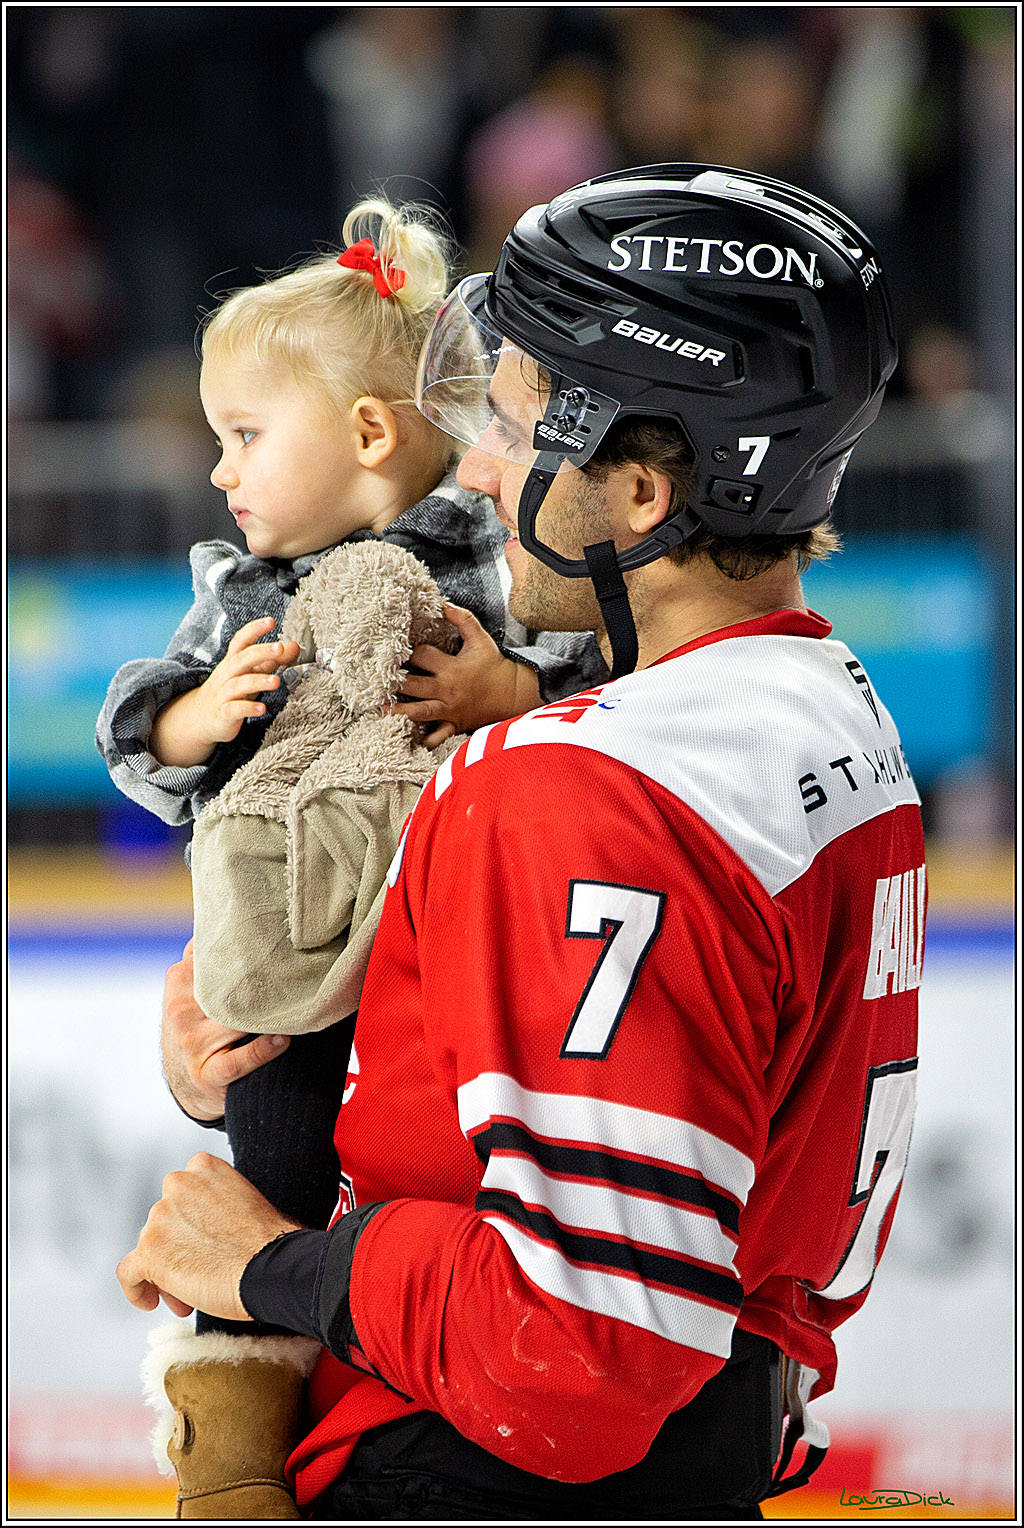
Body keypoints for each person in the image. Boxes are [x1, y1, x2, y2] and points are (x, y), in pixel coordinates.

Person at [119, 165, 924, 1521]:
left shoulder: (574, 781)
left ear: (645, 494)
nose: (476, 468)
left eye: (517, 424)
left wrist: (268, 1268)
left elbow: (579, 1351)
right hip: (704, 1451)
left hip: (465, 1467)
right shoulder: (832, 717)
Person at [98, 194, 605, 1518]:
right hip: (281, 945)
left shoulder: (495, 560)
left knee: (410, 1172)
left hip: (425, 950)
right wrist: (192, 716)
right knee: (265, 1155)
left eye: (247, 438)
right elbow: (137, 729)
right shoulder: (238, 596)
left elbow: (583, 699)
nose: (223, 473)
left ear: (370, 433)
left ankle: (379, 1370)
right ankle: (232, 1448)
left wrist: (507, 689)